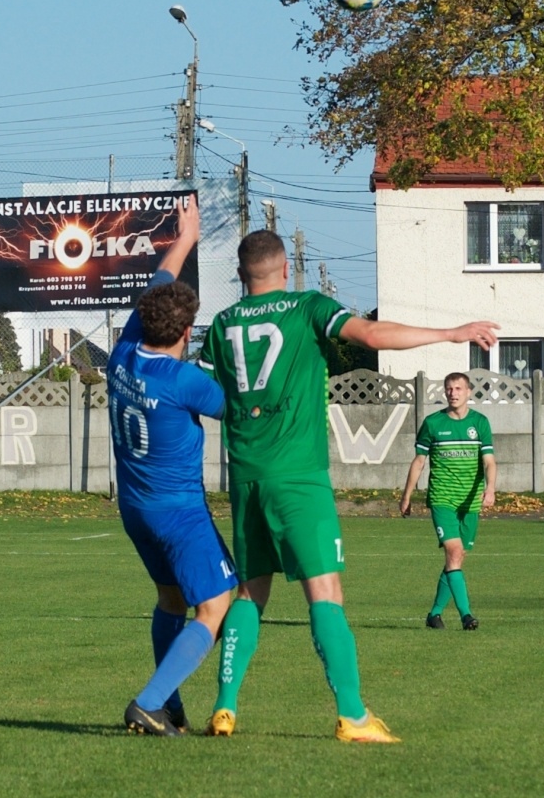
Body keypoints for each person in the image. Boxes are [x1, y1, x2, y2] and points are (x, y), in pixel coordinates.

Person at [199, 229, 497, 742]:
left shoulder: (222, 324)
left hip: (246, 476)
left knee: (250, 592)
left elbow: (207, 392)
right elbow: (374, 336)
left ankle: (224, 707)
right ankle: (353, 715)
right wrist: (452, 333)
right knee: (325, 592)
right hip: (298, 477)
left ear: (241, 275)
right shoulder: (306, 307)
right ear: (286, 268)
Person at [108, 198, 239, 736]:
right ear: (187, 334)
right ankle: (149, 699)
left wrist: (183, 240)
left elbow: (155, 289)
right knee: (216, 605)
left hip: (135, 508)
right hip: (179, 511)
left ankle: (171, 706)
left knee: (170, 600)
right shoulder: (185, 382)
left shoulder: (123, 355)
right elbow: (239, 405)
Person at [401, 372, 496, 631]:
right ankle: (466, 615)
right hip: (442, 498)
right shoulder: (433, 423)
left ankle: (434, 614)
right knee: (453, 553)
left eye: (458, 388)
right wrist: (407, 495)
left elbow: (489, 461)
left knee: (457, 558)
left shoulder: (480, 423)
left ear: (468, 392)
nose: (453, 393)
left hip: (471, 502)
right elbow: (419, 461)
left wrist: (490, 489)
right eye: (449, 389)